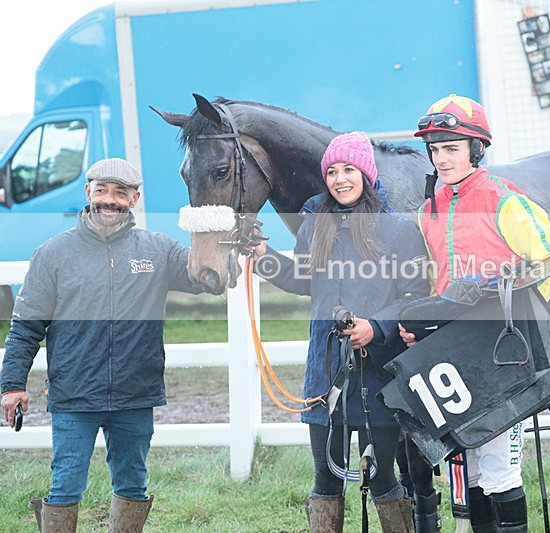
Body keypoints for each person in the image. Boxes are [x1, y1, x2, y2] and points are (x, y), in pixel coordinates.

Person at [1, 158, 205, 533]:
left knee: (132, 484)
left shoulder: (159, 250)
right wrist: (12, 385)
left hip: (135, 392)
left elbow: (205, 278)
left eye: (120, 193)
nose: (109, 200)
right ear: (88, 193)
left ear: (135, 198)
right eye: (102, 191)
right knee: (65, 484)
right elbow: (26, 326)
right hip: (74, 393)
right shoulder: (53, 253)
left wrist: (221, 240)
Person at [400, 94, 550, 532]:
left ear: (476, 149)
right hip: (454, 352)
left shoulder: (504, 200)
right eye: (435, 149)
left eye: (451, 148)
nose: (441, 159)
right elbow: (435, 283)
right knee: (469, 465)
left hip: (503, 352)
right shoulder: (427, 212)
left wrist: (537, 336)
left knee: (499, 466)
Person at [248, 132, 429, 532]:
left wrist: (375, 326)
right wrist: (264, 256)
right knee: (325, 480)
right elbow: (302, 279)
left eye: (349, 169)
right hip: (326, 373)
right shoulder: (314, 224)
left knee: (383, 478)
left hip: (380, 374)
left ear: (365, 171)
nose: (340, 178)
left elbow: (417, 296)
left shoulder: (399, 229)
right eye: (332, 171)